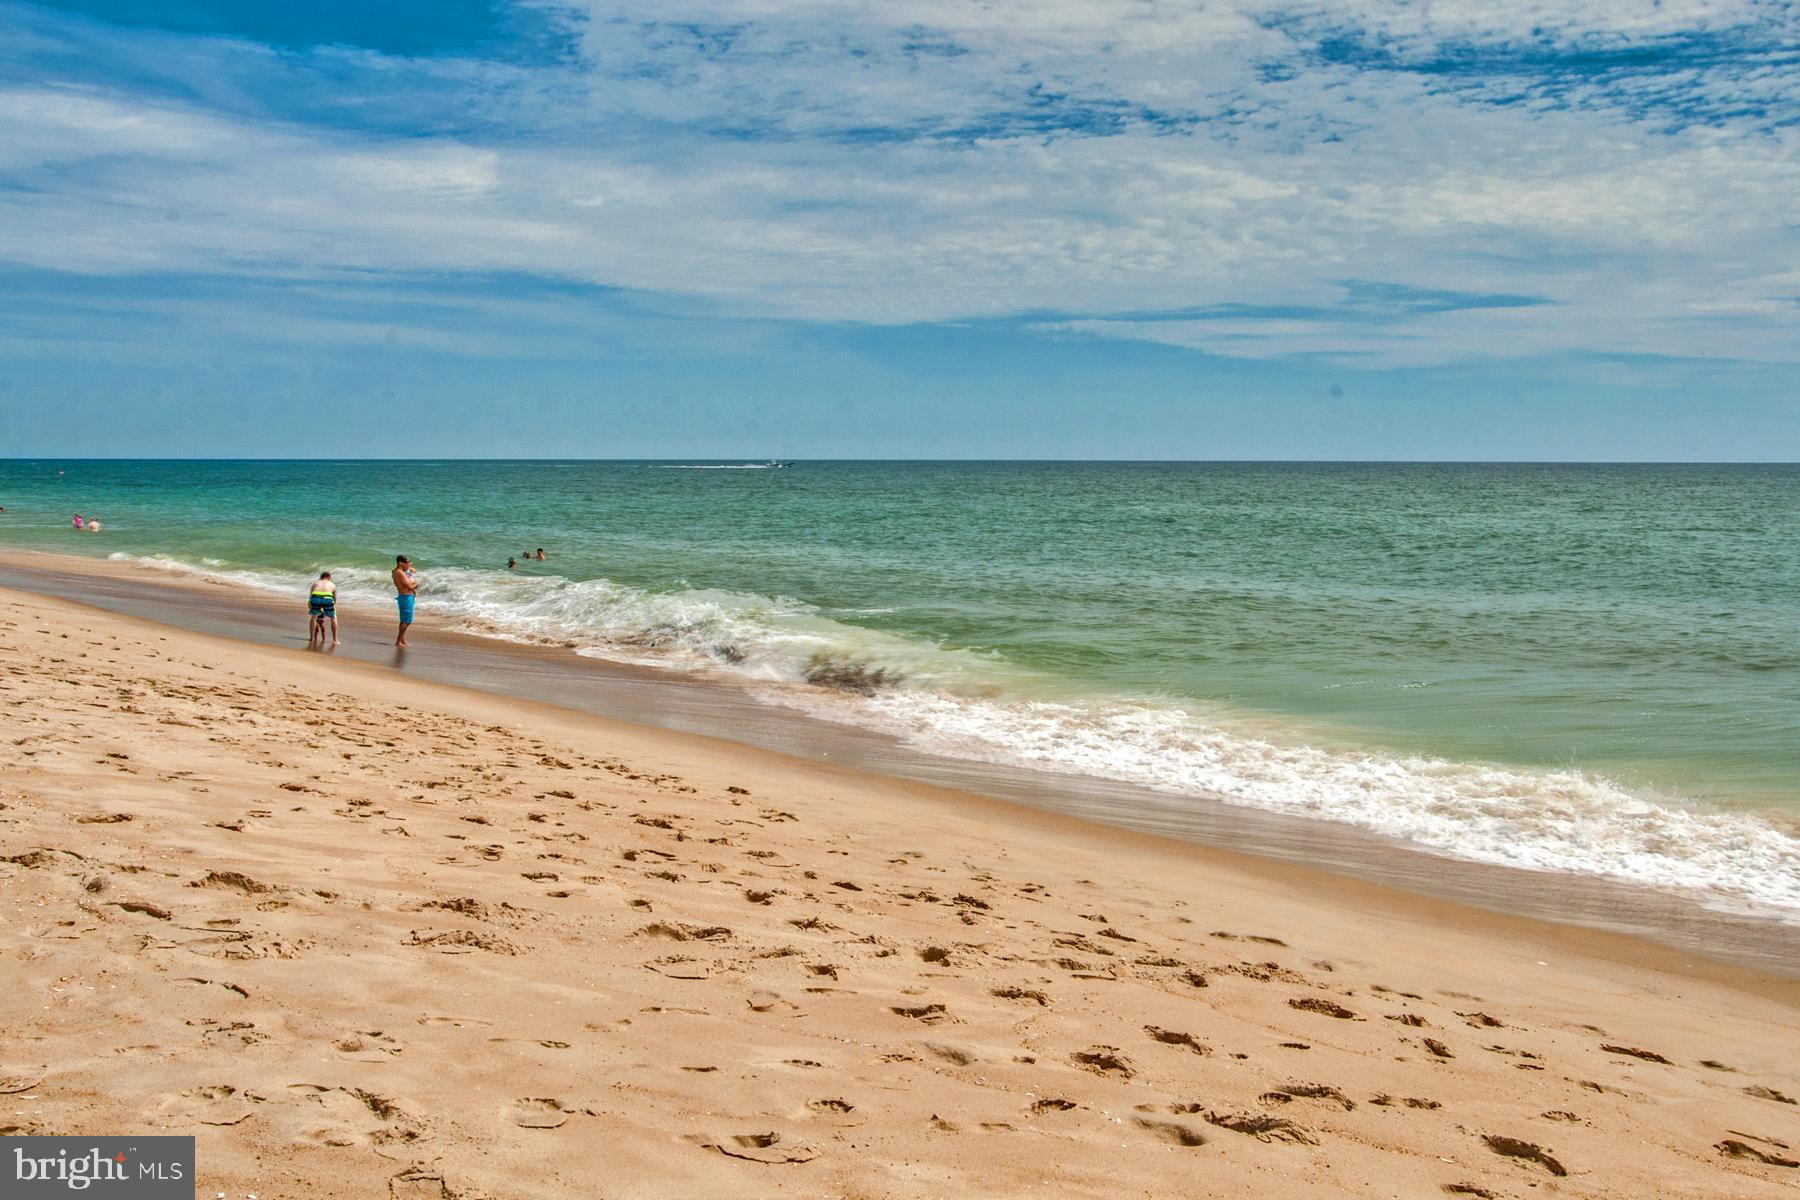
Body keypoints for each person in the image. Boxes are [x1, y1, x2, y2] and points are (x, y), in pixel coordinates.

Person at [392, 555, 419, 647]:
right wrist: (417, 584)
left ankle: (402, 640)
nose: (409, 564)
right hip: (406, 597)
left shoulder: (397, 571)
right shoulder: (399, 573)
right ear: (400, 563)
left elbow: (406, 572)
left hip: (405, 597)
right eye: (407, 562)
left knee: (403, 619)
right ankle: (398, 641)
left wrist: (409, 568)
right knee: (407, 621)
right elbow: (410, 587)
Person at [308, 571, 340, 647]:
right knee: (333, 618)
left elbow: (310, 597)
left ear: (321, 577)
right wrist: (333, 606)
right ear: (329, 577)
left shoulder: (315, 583)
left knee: (314, 617)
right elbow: (334, 598)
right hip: (327, 598)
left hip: (316, 597)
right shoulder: (332, 584)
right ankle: (335, 640)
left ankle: (311, 638)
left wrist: (311, 605)